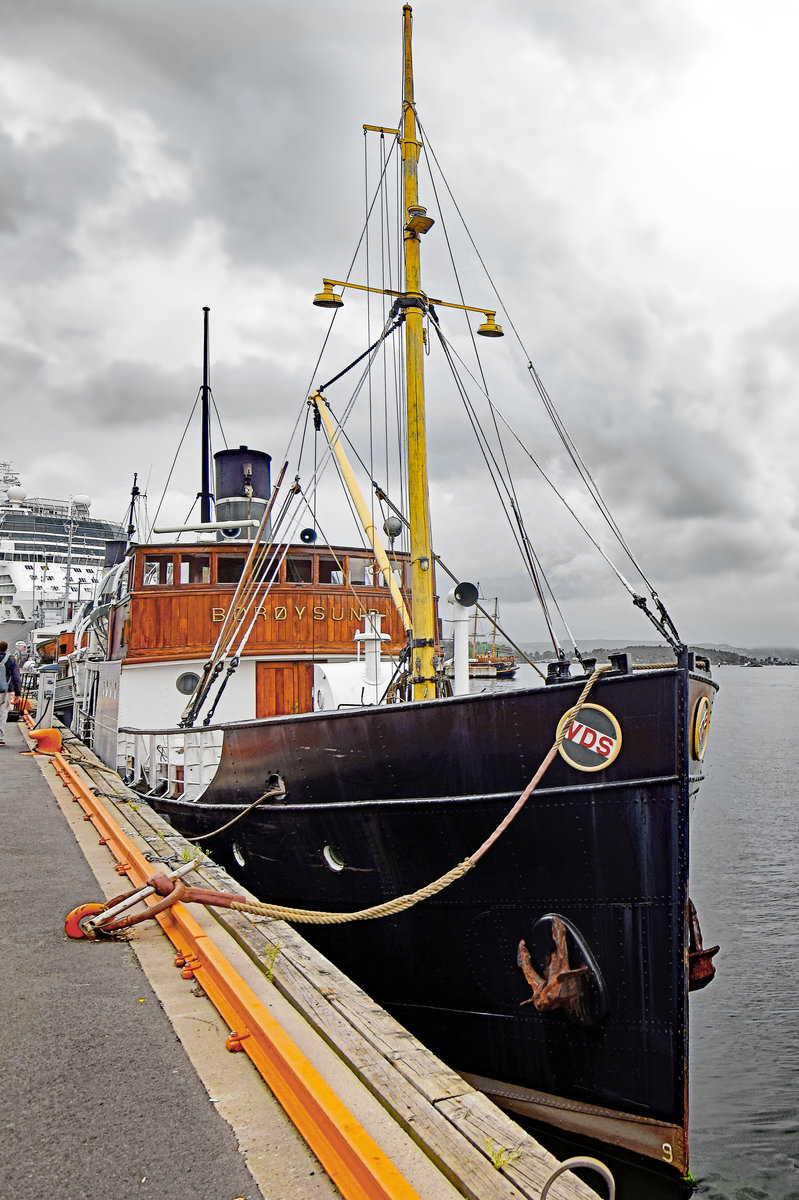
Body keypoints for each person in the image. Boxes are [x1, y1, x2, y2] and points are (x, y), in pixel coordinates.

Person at [0, 640, 22, 745]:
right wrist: (18, 694)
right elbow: (16, 677)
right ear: (6, 649)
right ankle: (0, 737)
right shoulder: (11, 660)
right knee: (2, 713)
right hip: (5, 691)